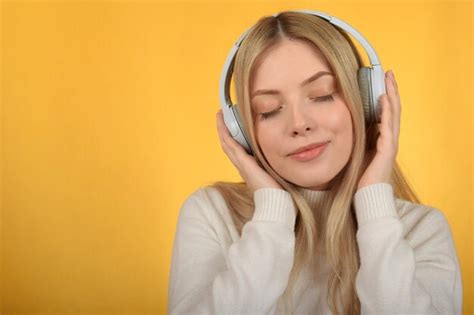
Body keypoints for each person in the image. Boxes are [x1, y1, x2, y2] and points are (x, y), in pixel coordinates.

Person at [167, 10, 463, 315]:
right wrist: (271, 213)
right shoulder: (212, 216)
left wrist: (374, 202)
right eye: (268, 110)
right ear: (242, 130)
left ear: (366, 102)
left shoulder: (423, 230)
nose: (299, 123)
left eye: (321, 95)